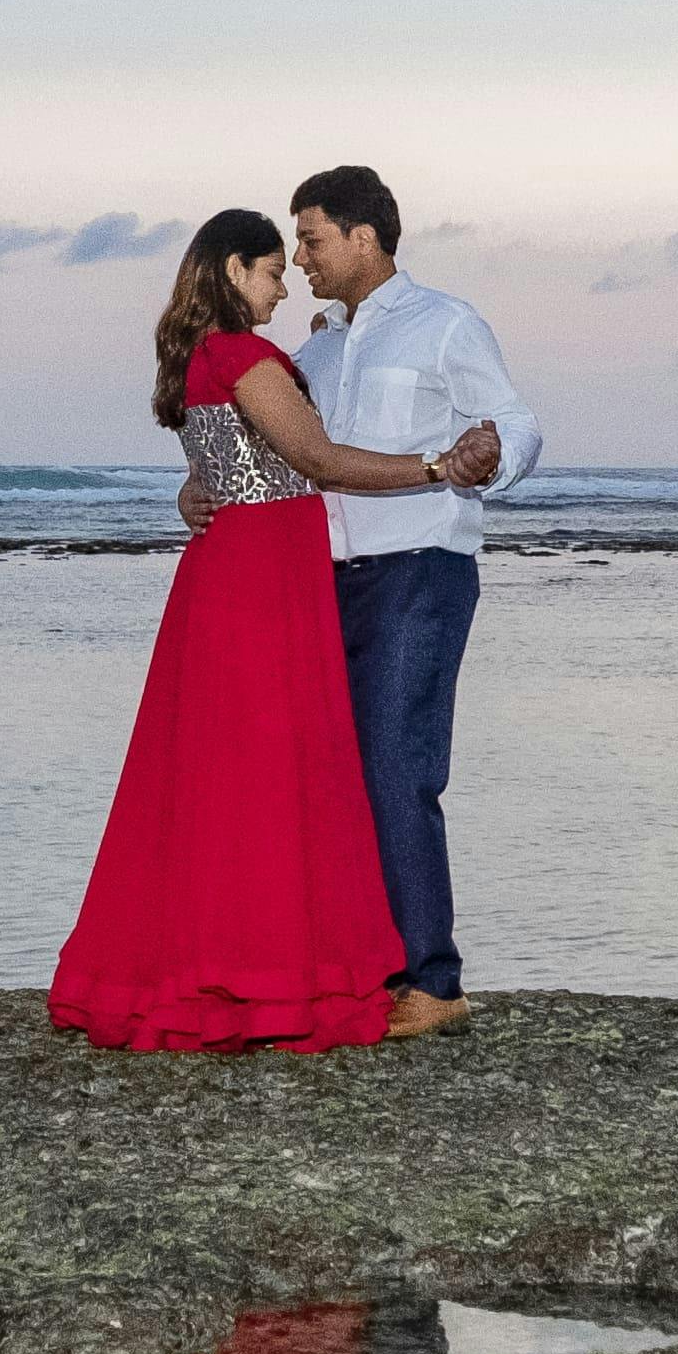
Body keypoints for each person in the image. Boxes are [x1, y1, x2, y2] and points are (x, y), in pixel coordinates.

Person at [51, 209, 484, 1054]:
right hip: (262, 583)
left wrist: (192, 497)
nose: (283, 286)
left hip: (238, 572)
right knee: (268, 782)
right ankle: (268, 978)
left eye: (293, 266)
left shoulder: (197, 358)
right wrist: (435, 468)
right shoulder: (243, 355)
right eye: (270, 269)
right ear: (230, 269)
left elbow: (211, 475)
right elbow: (317, 460)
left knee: (224, 783)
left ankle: (234, 967)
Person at [286, 164, 538, 1039]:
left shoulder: (446, 324)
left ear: (364, 236)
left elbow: (519, 421)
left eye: (311, 237)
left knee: (398, 766)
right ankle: (367, 971)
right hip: (322, 581)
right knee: (334, 779)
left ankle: (434, 983)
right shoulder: (313, 349)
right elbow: (274, 453)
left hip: (420, 567)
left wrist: (488, 453)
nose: (299, 256)